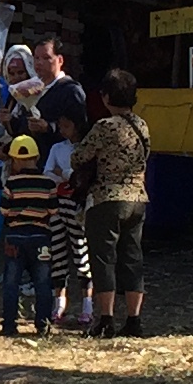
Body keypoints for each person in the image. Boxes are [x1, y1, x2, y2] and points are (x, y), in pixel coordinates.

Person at [72, 70, 154, 338]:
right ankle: (134, 319)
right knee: (133, 258)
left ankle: (106, 319)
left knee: (103, 258)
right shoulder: (142, 125)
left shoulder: (105, 127)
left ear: (106, 97)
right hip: (137, 198)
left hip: (107, 198)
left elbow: (79, 157)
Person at [0, 132, 57, 334]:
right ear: (38, 157)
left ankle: (9, 325)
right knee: (43, 282)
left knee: (11, 282)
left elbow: (3, 210)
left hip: (15, 238)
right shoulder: (48, 183)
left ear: (13, 160)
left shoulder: (11, 183)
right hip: (41, 238)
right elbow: (53, 210)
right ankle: (43, 324)